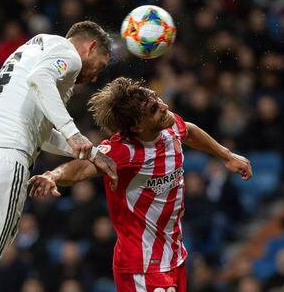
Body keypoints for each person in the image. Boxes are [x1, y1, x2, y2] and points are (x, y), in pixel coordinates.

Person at [0, 21, 117, 292]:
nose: (95, 77)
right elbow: (41, 80)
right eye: (101, 65)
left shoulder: (34, 49)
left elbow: (41, 132)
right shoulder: (69, 54)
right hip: (2, 159)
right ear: (91, 46)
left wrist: (91, 152)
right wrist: (73, 132)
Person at [29, 77, 253, 292]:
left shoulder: (168, 126)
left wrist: (227, 155)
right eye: (154, 109)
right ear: (137, 126)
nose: (164, 107)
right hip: (142, 265)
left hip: (173, 256)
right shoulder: (123, 152)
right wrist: (54, 174)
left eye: (157, 99)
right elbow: (82, 167)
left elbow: (190, 131)